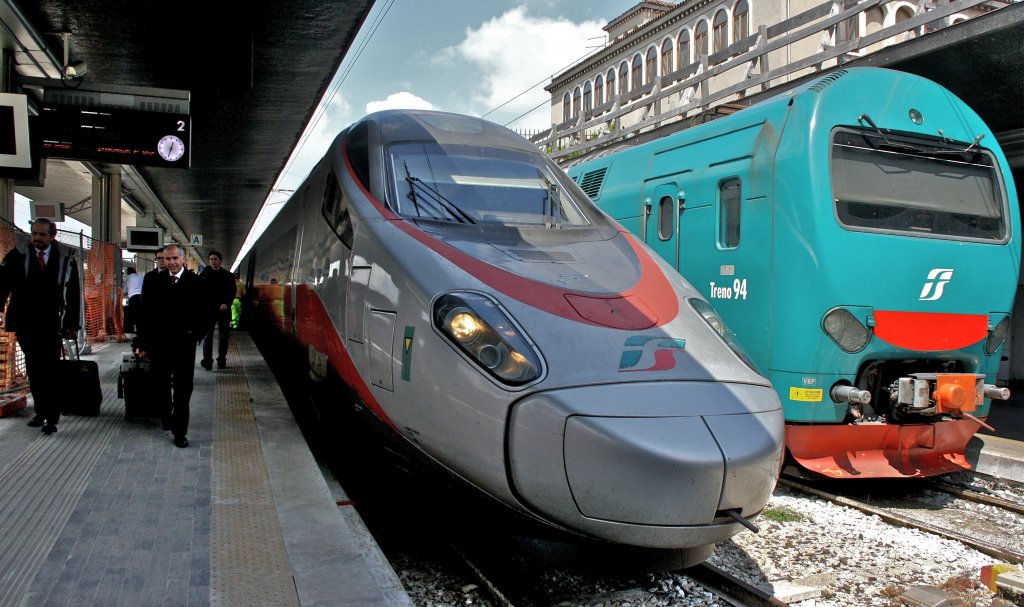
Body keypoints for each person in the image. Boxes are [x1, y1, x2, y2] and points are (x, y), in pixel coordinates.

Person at [0, 218, 81, 435]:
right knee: (34, 369)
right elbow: (2, 283)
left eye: (42, 234)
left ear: (52, 236)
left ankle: (52, 418)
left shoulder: (66, 259)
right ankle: (40, 411)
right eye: (34, 233)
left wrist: (73, 323)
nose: (37, 238)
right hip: (26, 322)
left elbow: (73, 293)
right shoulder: (18, 255)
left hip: (53, 322)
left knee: (50, 369)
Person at [134, 244, 213, 448]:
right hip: (159, 344)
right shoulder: (153, 281)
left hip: (184, 345)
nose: (171, 262)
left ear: (183, 259)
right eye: (167, 259)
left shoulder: (197, 282)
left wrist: (197, 335)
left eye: (175, 258)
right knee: (159, 385)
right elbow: (144, 314)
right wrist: (141, 342)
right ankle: (166, 413)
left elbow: (207, 313)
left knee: (183, 389)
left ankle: (180, 432)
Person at [200, 250, 236, 370]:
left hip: (223, 310)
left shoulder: (229, 276)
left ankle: (221, 360)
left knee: (224, 337)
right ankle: (207, 361)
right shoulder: (204, 275)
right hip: (208, 311)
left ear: (220, 261)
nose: (213, 261)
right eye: (211, 259)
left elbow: (232, 292)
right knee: (207, 337)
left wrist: (227, 303)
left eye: (215, 259)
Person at [123, 266, 143, 334]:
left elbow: (123, 291)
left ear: (128, 273)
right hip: (142, 297)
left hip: (133, 298)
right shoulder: (141, 277)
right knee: (141, 315)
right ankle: (140, 330)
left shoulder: (128, 279)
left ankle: (129, 330)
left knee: (131, 314)